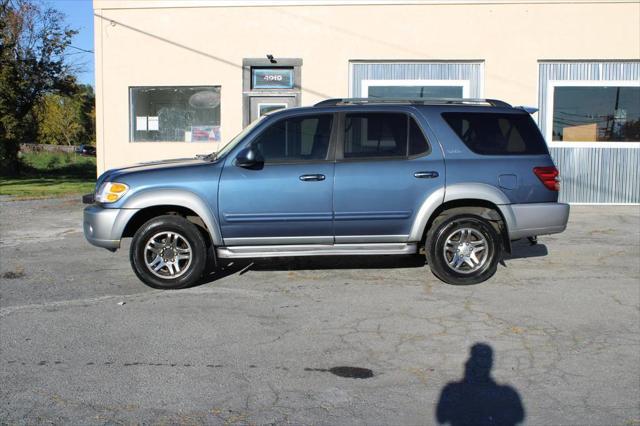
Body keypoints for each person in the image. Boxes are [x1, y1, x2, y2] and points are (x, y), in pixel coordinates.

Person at [436, 343, 525, 426]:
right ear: (490, 364)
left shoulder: (451, 390)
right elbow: (518, 417)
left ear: (468, 365)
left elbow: (441, 418)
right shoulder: (507, 393)